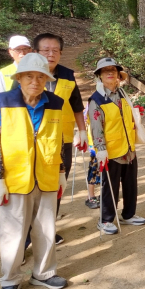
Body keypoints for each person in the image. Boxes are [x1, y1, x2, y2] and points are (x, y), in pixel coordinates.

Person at [0, 53, 68, 289]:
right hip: (14, 179)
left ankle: (43, 274)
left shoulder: (55, 102)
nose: (35, 81)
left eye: (40, 76)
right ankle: (10, 279)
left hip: (47, 175)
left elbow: (58, 139)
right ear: (19, 77)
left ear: (47, 79)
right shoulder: (2, 101)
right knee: (13, 234)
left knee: (46, 229)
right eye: (29, 76)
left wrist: (61, 170)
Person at [35, 33, 88, 244]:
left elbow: (76, 105)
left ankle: (48, 227)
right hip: (35, 141)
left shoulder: (67, 74)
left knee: (58, 185)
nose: (50, 54)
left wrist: (82, 131)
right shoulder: (29, 75)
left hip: (62, 139)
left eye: (55, 50)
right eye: (45, 50)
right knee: (34, 187)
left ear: (60, 53)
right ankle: (27, 238)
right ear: (36, 52)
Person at [88, 58, 145, 235]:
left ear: (118, 75)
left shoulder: (123, 94)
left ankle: (128, 214)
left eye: (113, 70)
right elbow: (96, 127)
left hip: (128, 148)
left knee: (130, 184)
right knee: (110, 187)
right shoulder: (96, 99)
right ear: (99, 75)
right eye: (105, 71)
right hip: (110, 151)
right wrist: (100, 149)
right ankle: (105, 220)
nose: (110, 73)